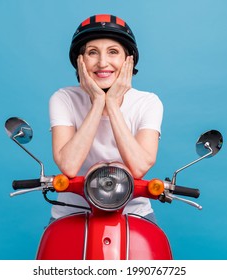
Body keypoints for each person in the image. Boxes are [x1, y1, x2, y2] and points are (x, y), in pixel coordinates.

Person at [49, 14, 163, 223]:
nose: (103, 63)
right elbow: (69, 165)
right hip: (72, 212)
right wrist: (98, 102)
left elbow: (139, 167)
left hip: (134, 213)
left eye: (113, 52)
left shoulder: (148, 102)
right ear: (80, 61)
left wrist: (112, 104)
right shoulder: (63, 98)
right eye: (93, 52)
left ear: (128, 59)